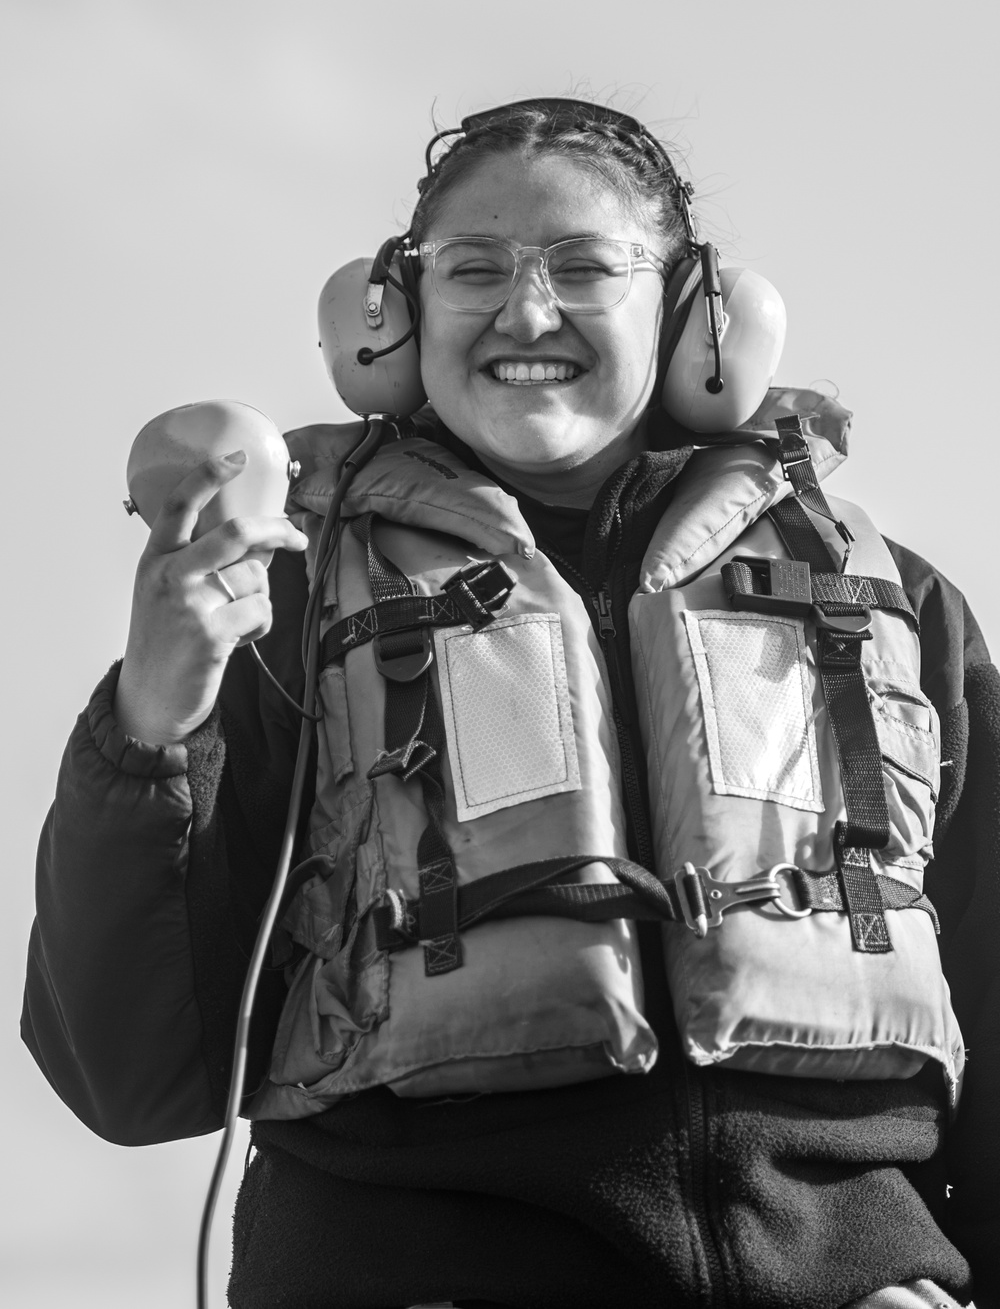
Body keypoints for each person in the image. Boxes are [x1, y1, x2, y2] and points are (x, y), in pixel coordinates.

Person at [21, 99, 1000, 1309]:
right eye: (472, 270)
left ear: (697, 311)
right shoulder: (285, 596)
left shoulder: (885, 601)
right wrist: (154, 720)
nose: (525, 314)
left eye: (586, 267)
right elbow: (128, 1074)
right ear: (387, 319)